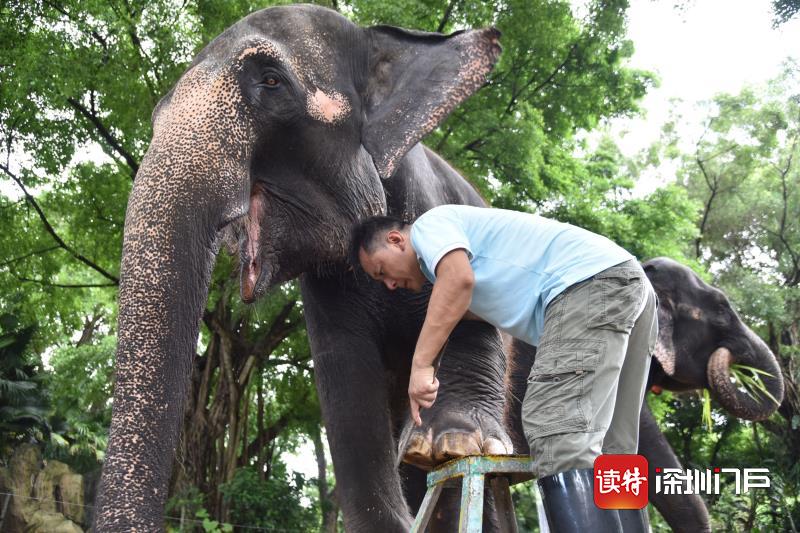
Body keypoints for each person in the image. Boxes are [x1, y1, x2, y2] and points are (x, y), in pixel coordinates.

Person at [348, 204, 658, 532]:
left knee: (556, 431)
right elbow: (456, 310)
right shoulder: (476, 260)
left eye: (381, 271)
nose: (390, 285)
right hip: (626, 283)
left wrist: (420, 366)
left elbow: (457, 280)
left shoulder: (429, 227)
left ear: (396, 240)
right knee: (616, 451)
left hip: (587, 285)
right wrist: (432, 368)